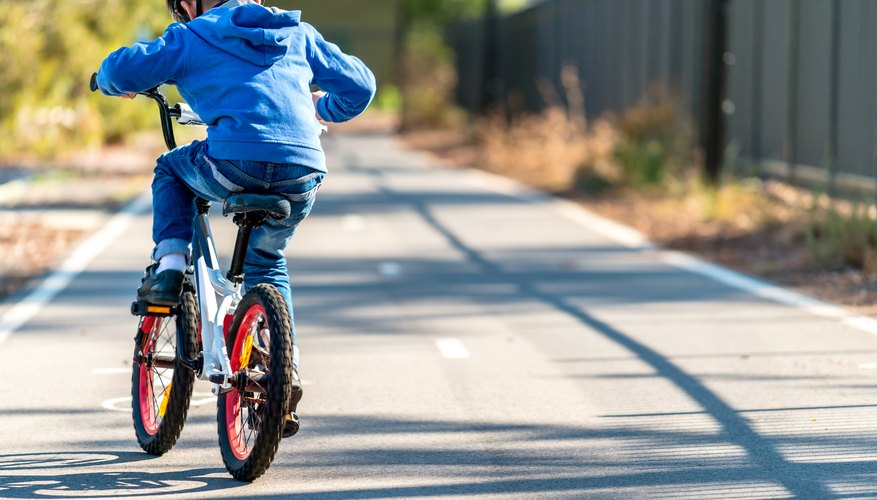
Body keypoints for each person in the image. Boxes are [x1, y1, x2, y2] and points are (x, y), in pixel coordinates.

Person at [94, 0, 376, 437]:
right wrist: (323, 110)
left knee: (171, 168)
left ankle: (169, 268)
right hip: (301, 171)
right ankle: (287, 367)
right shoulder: (297, 34)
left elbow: (122, 70)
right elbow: (361, 85)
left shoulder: (193, 35)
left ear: (189, 4)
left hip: (232, 161)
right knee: (269, 262)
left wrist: (110, 83)